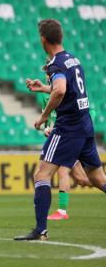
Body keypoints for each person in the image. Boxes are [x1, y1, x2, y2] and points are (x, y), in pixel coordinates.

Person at [15, 19, 106, 241]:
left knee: (41, 175)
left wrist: (44, 116)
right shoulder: (72, 59)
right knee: (97, 179)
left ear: (43, 39)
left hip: (68, 127)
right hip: (85, 125)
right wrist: (43, 87)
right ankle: (41, 229)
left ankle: (40, 231)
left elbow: (60, 91)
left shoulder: (55, 64)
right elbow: (65, 88)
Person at [37, 67, 94, 220]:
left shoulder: (71, 91)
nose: (48, 76)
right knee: (82, 179)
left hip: (71, 135)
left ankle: (62, 211)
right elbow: (47, 118)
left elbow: (90, 111)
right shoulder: (46, 95)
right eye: (47, 74)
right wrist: (46, 128)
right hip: (60, 136)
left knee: (62, 170)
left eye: (50, 74)